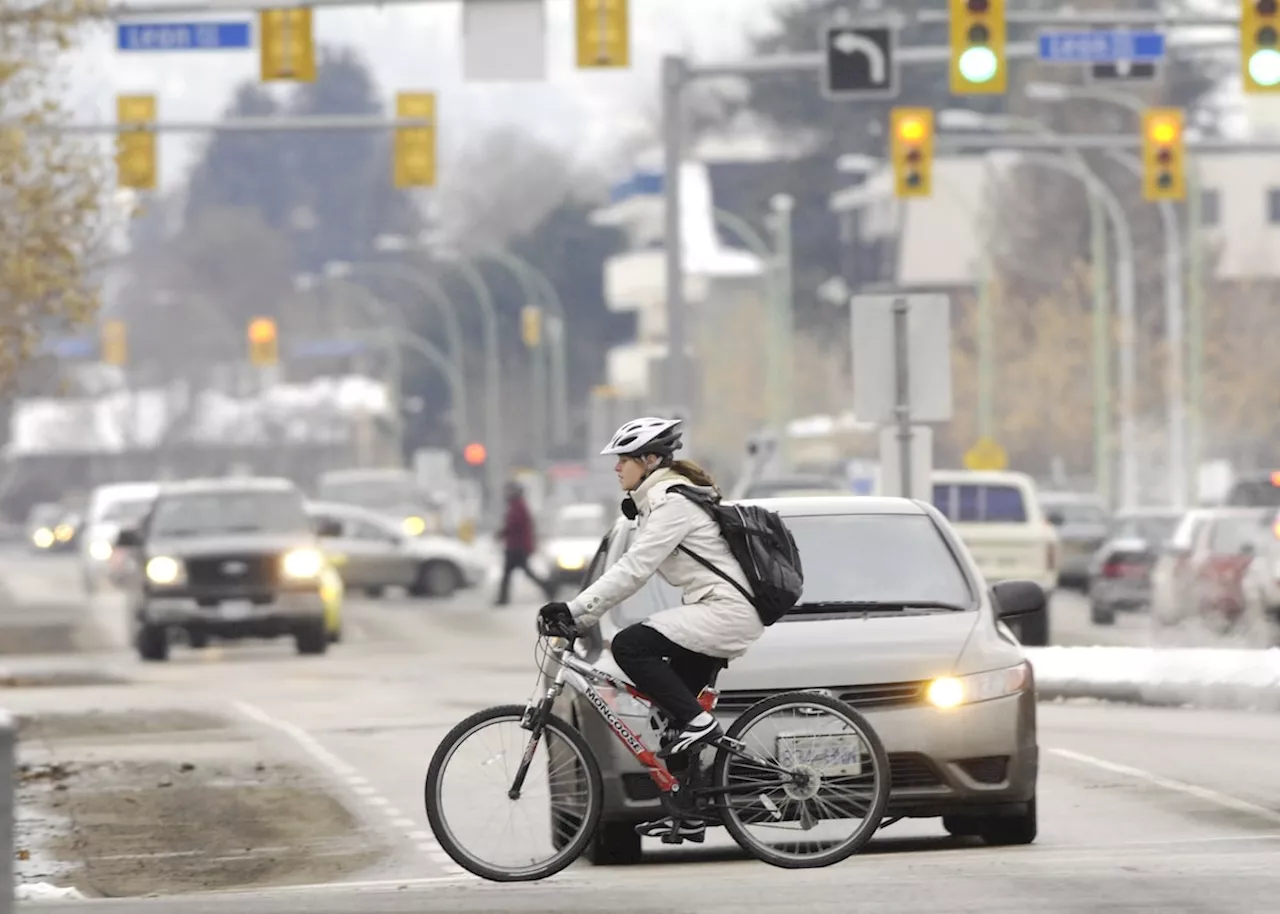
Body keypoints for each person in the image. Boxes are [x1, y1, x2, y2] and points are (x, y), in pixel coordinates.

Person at [537, 417, 762, 840]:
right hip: (712, 611)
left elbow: (634, 569)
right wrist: (581, 613)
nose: (617, 468)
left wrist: (576, 609)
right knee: (672, 718)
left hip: (725, 613)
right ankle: (691, 811)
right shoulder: (659, 500)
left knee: (630, 645)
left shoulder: (672, 503)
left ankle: (699, 726)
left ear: (650, 460)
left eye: (624, 459)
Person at [495, 481, 555, 605]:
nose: (507, 494)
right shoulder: (516, 505)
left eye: (510, 491)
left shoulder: (519, 506)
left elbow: (514, 525)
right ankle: (548, 587)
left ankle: (548, 587)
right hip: (516, 545)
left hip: (517, 546)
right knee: (520, 572)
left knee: (513, 573)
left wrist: (501, 533)